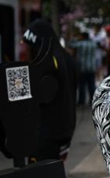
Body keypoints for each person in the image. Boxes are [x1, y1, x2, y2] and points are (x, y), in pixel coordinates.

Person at [20, 19, 77, 164]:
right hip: (64, 131)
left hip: (45, 134)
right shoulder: (66, 58)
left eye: (26, 45)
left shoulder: (46, 64)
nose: (23, 48)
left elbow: (26, 96)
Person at [70, 31, 99, 106]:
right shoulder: (93, 44)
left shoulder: (79, 44)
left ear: (83, 37)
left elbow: (71, 45)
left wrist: (75, 38)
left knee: (82, 85)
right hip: (92, 67)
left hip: (82, 67)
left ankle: (81, 101)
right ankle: (92, 100)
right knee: (91, 84)